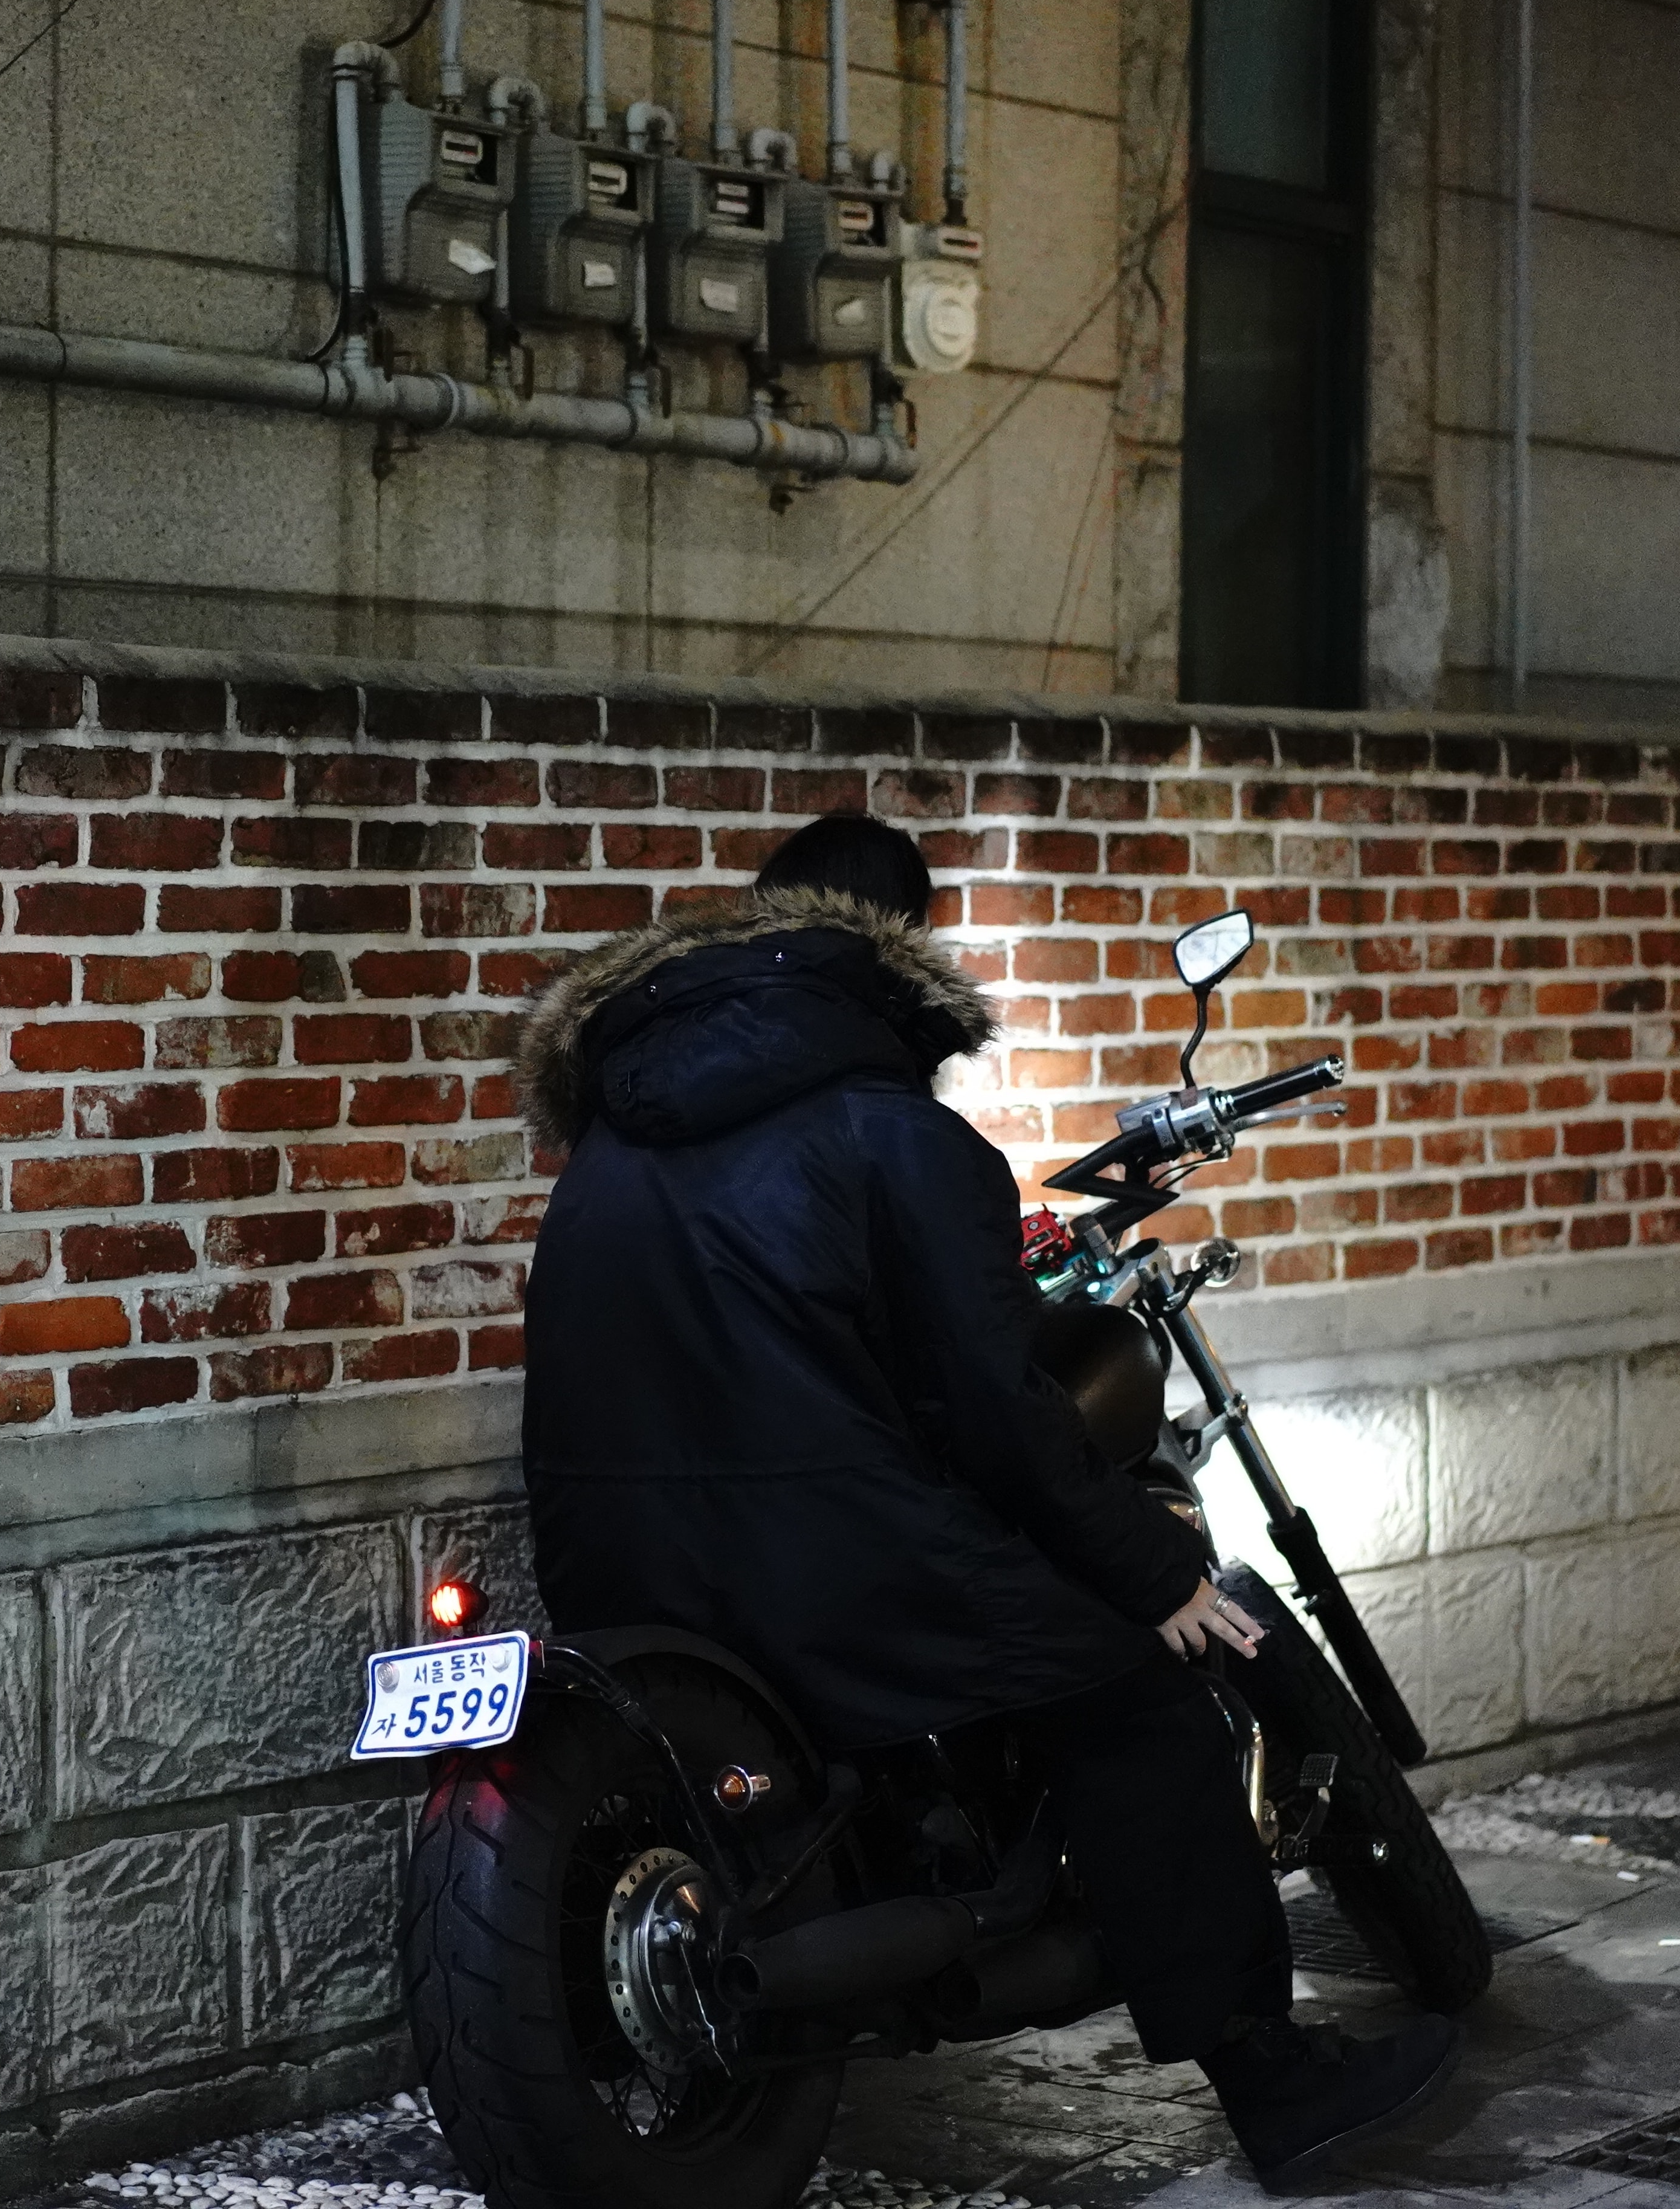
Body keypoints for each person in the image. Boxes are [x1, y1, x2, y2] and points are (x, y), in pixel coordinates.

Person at [516, 810, 1461, 2186]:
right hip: (833, 1565)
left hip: (618, 1564)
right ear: (903, 950)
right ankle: (1275, 2078)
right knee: (1142, 1703)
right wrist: (1157, 1575)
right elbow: (999, 1411)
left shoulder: (611, 1126)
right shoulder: (901, 1135)